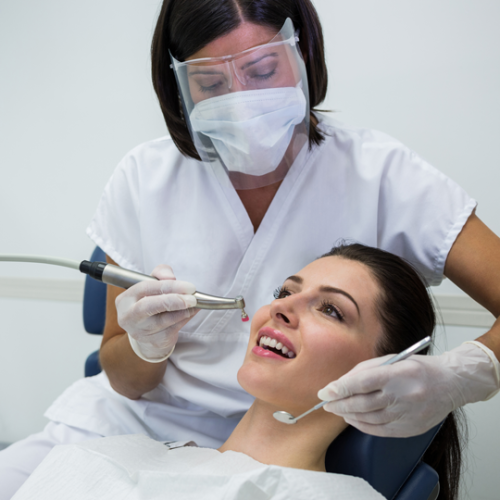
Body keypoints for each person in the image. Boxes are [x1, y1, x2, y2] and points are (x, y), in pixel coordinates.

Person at [1, 0, 499, 497]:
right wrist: (144, 347)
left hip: (268, 455)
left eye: (262, 70)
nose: (242, 98)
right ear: (179, 84)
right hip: (121, 434)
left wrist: (466, 374)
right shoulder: (144, 179)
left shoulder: (384, 176)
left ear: (303, 50)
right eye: (212, 85)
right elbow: (126, 380)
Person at [13, 245, 465, 500]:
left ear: (385, 372)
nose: (282, 307)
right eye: (285, 290)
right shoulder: (137, 452)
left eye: (330, 309)